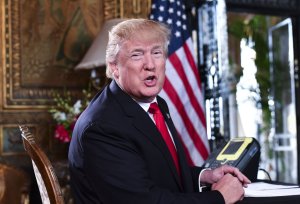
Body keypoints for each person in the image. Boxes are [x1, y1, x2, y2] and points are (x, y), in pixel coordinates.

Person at [68, 18, 251, 204]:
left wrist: (205, 176)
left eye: (156, 52)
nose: (150, 64)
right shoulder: (103, 126)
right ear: (115, 67)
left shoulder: (155, 104)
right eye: (137, 55)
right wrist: (219, 198)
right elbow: (144, 200)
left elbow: (160, 171)